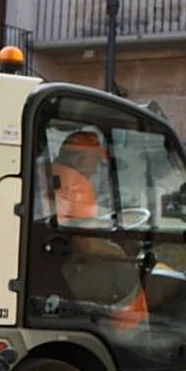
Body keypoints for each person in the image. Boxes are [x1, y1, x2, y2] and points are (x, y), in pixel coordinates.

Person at [50, 130, 148, 331]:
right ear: (81, 158)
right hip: (68, 270)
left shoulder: (48, 172)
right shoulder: (77, 182)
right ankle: (128, 335)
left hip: (51, 264)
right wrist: (119, 253)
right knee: (128, 274)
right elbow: (85, 244)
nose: (95, 170)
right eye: (95, 161)